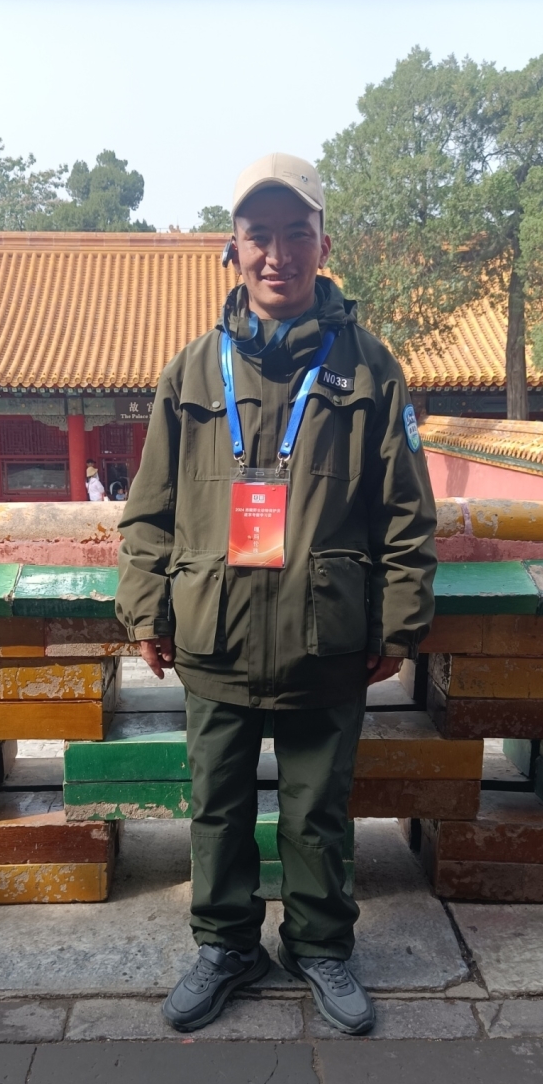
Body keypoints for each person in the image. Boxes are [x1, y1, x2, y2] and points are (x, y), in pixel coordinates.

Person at [115, 152, 437, 1035]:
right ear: (234, 247)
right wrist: (146, 607)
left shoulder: (370, 368)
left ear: (323, 245)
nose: (278, 254)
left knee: (317, 811)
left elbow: (406, 511)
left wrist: (399, 624)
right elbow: (149, 508)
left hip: (326, 633)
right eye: (260, 235)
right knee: (216, 807)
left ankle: (320, 945)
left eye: (298, 234)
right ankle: (226, 946)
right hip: (212, 630)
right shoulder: (191, 371)